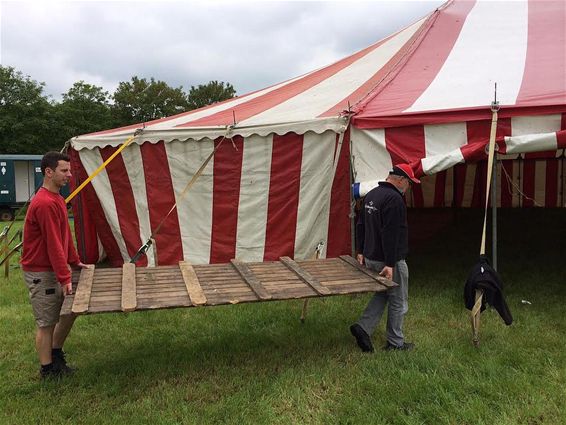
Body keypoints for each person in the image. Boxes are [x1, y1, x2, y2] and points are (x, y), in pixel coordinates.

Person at [20, 151, 87, 379]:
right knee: (47, 322)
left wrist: (74, 261)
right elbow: (52, 244)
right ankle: (47, 371)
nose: (69, 175)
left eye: (69, 170)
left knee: (70, 312)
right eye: (64, 171)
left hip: (53, 269)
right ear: (49, 172)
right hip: (40, 271)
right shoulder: (45, 203)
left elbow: (64, 235)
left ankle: (55, 354)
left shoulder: (57, 198)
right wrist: (64, 277)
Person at [350, 164, 420, 353]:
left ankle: (363, 328)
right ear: (401, 180)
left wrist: (361, 250)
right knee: (398, 299)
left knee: (383, 293)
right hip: (390, 261)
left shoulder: (372, 195)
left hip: (371, 256)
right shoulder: (394, 199)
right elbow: (391, 234)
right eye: (409, 183)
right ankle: (395, 343)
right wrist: (391, 264)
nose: (409, 188)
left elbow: (361, 224)